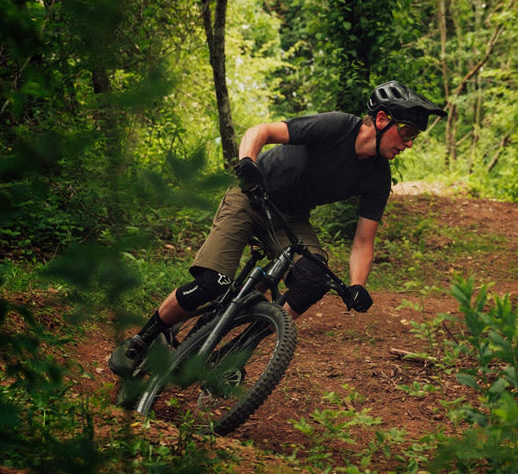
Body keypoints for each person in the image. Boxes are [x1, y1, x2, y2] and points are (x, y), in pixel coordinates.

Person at [108, 80, 445, 376]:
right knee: (211, 283)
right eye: (407, 132)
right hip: (251, 197)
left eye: (414, 136)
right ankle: (144, 337)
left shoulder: (377, 177)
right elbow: (262, 131)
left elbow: (363, 240)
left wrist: (358, 284)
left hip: (291, 218)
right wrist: (247, 164)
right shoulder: (337, 126)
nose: (409, 143)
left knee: (313, 279)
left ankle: (235, 349)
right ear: (383, 120)